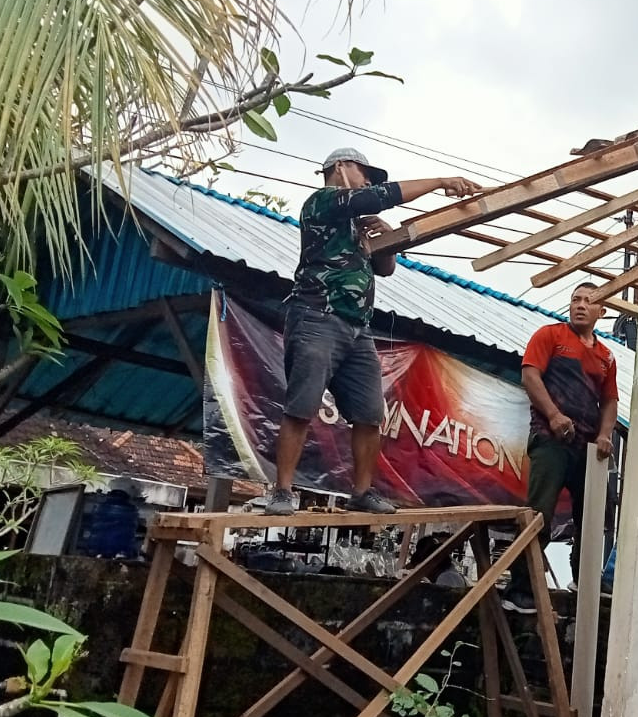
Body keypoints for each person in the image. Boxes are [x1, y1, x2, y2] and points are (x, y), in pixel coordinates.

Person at [265, 147, 478, 515]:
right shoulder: (323, 202)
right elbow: (384, 195)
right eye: (364, 174)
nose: (368, 183)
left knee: (369, 414)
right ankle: (282, 490)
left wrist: (385, 237)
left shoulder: (354, 223)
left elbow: (385, 269)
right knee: (301, 406)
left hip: (357, 328)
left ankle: (362, 491)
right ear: (342, 168)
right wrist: (442, 181)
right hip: (318, 315)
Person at [503, 282, 619, 612]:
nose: (580, 305)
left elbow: (610, 400)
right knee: (540, 512)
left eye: (588, 301)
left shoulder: (606, 356)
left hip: (587, 448)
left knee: (594, 514)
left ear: (602, 312)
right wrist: (553, 415)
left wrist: (605, 434)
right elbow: (530, 376)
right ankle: (520, 590)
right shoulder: (550, 335)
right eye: (576, 299)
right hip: (550, 440)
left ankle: (584, 579)